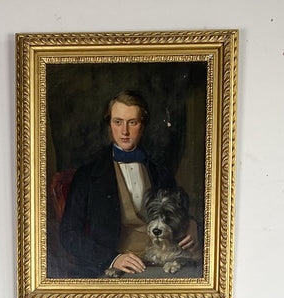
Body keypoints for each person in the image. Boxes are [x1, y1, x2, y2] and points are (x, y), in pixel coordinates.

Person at [58, 90, 199, 277]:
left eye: (132, 122)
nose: (124, 131)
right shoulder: (88, 175)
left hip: (162, 262)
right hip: (111, 266)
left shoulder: (160, 171)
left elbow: (178, 212)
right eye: (118, 122)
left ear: (143, 126)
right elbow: (69, 234)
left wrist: (193, 224)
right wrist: (113, 258)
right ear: (109, 124)